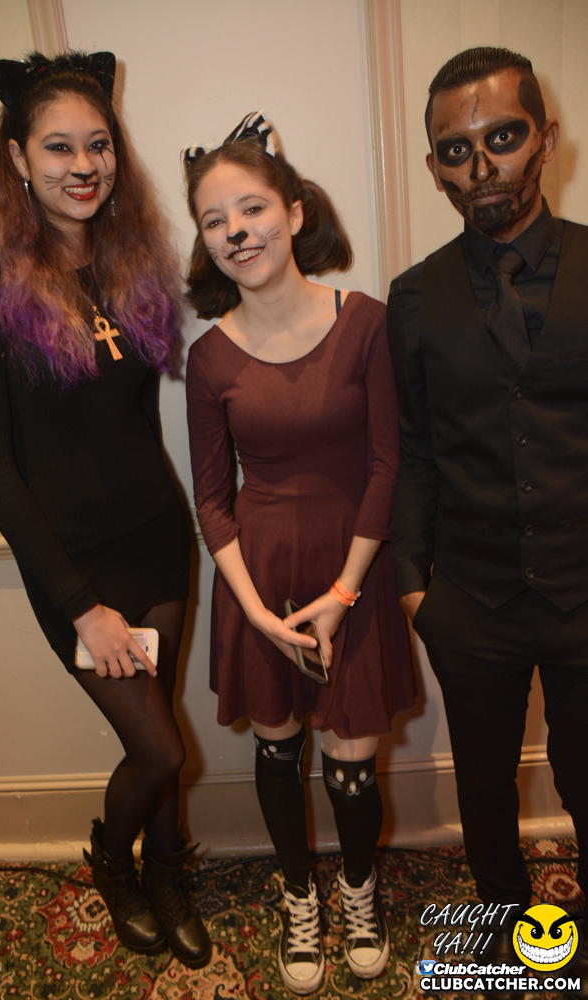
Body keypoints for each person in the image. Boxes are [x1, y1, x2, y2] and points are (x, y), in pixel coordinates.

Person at [0, 50, 210, 969]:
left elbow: (132, 422)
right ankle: (112, 860)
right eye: (58, 147)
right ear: (18, 158)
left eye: (98, 144)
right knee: (159, 750)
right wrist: (80, 606)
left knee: (163, 725)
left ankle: (169, 872)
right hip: (72, 564)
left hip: (156, 538)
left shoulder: (134, 265)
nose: (83, 165)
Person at [183, 111, 416, 994]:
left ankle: (357, 891)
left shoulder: (366, 323)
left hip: (352, 571)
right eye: (214, 220)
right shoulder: (209, 359)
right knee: (278, 751)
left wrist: (344, 594)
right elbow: (211, 499)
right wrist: (253, 612)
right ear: (205, 242)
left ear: (293, 210)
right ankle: (296, 896)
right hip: (260, 580)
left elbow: (388, 464)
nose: (237, 231)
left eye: (252, 208)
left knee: (352, 764)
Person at [387, 47, 588, 997]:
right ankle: (510, 941)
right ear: (434, 167)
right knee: (482, 785)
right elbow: (412, 452)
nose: (480, 166)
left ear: (543, 138)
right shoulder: (412, 297)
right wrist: (414, 589)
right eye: (454, 150)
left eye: (500, 137)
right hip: (470, 601)